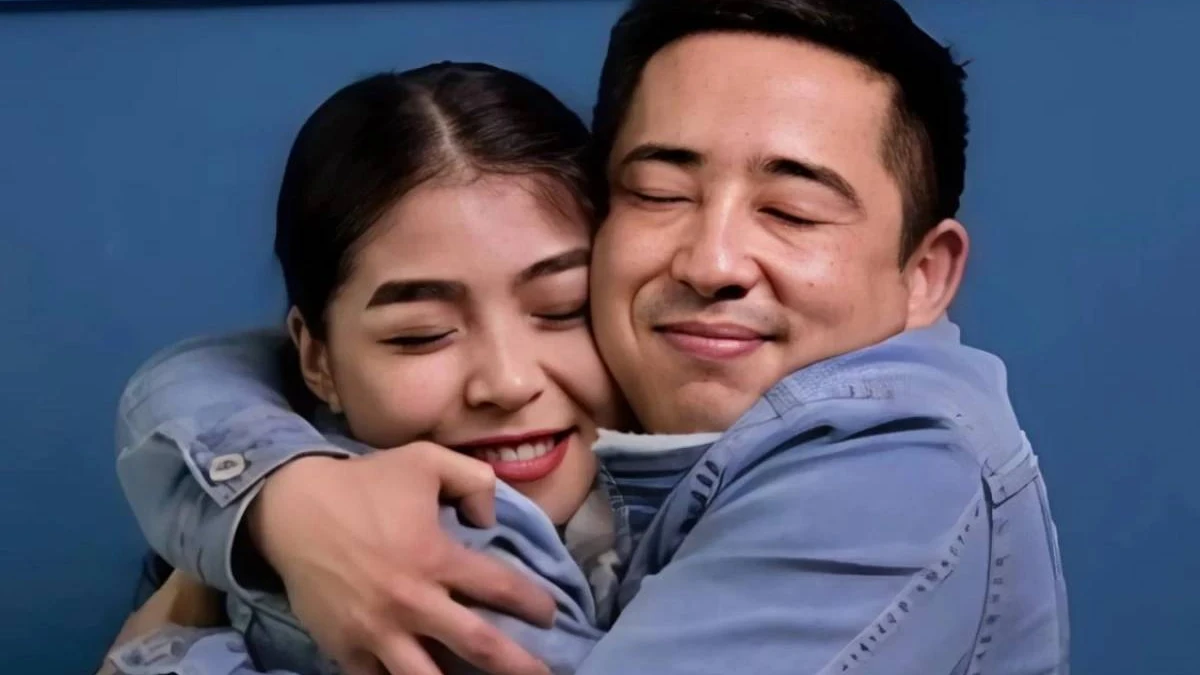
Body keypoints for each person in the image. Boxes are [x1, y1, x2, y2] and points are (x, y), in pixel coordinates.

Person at [116, 1, 1070, 674]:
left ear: (925, 274)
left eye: (792, 209)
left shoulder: (898, 466)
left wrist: (167, 650)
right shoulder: (631, 446)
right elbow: (218, 369)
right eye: (659, 192)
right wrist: (285, 497)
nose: (712, 260)